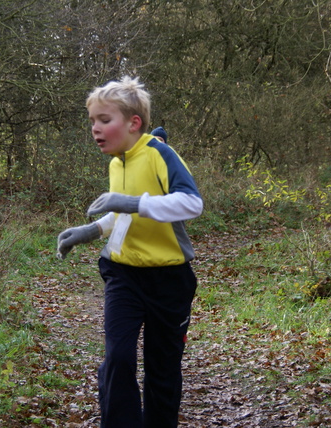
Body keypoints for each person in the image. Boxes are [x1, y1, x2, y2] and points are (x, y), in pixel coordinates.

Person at [56, 76, 203, 428]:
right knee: (118, 358)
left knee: (162, 368)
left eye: (104, 120)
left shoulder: (159, 153)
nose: (95, 128)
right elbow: (123, 212)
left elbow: (191, 203)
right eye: (92, 120)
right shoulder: (116, 162)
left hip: (169, 279)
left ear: (133, 122)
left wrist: (133, 202)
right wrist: (90, 231)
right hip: (123, 273)